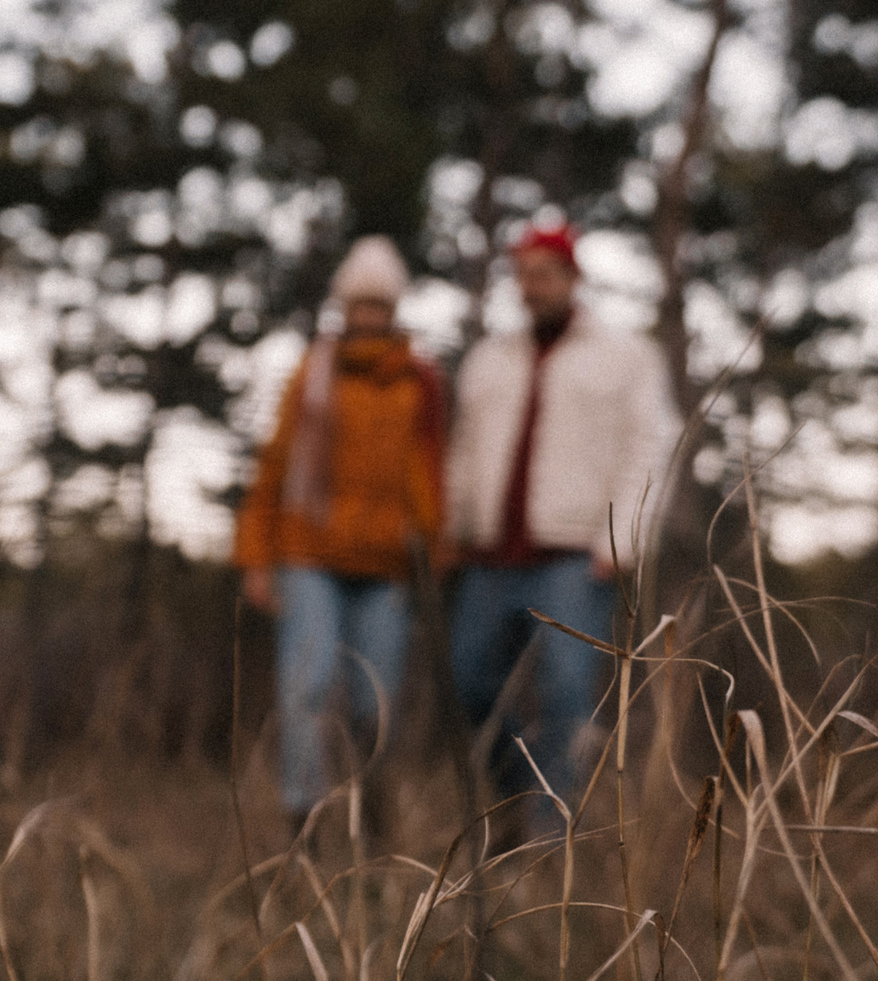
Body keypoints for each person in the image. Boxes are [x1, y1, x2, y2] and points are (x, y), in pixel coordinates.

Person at [446, 220, 678, 841]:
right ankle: (518, 796)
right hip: (491, 555)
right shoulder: (489, 358)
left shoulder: (626, 355)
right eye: (521, 275)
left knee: (567, 691)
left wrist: (622, 539)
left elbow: (649, 447)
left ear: (572, 279)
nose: (530, 287)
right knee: (469, 683)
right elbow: (464, 451)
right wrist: (454, 527)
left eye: (543, 274)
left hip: (576, 557)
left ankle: (551, 837)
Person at [235, 237, 447, 832]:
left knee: (374, 702)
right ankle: (303, 819)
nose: (368, 316)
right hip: (308, 553)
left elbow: (428, 471)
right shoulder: (312, 372)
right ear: (343, 306)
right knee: (307, 687)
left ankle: (369, 817)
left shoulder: (418, 381)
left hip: (387, 565)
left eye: (379, 304)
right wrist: (256, 556)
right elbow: (275, 464)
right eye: (359, 303)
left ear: (394, 308)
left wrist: (435, 549)